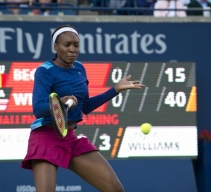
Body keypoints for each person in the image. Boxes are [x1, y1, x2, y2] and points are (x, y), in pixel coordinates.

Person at [20, 25, 145, 192]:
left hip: (70, 138)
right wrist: (59, 103)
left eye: (76, 45)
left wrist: (115, 90)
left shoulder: (80, 68)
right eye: (67, 45)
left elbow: (85, 106)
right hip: (46, 139)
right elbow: (38, 109)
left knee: (115, 189)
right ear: (56, 47)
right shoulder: (45, 71)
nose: (72, 49)